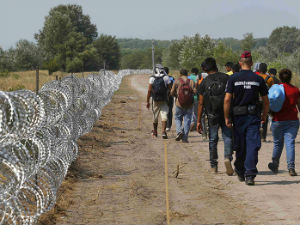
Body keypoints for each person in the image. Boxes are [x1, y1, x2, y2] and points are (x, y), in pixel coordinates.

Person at [224, 51, 269, 185]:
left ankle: (241, 170)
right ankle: (249, 174)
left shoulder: (233, 79)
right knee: (252, 145)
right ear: (251, 63)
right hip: (253, 117)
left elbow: (227, 100)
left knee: (241, 145)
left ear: (240, 63)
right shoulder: (258, 79)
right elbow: (266, 101)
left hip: (238, 117)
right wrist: (264, 115)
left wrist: (226, 117)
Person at [197, 57, 233, 175]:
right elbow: (232, 96)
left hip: (212, 114)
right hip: (226, 113)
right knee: (227, 137)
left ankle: (214, 166)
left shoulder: (204, 82)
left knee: (213, 139)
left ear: (205, 69)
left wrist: (198, 121)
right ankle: (228, 158)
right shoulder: (226, 78)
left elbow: (201, 103)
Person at [268, 69, 300, 176]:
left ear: (280, 77)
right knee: (290, 143)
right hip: (292, 120)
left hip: (278, 120)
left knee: (277, 143)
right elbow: (299, 106)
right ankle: (291, 168)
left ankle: (275, 164)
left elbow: (269, 102)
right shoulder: (295, 90)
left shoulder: (275, 88)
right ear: (290, 77)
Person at [171, 69, 196, 143]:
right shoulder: (191, 81)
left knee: (178, 118)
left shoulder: (177, 81)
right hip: (189, 104)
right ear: (187, 74)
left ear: (180, 74)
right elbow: (195, 91)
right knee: (187, 120)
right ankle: (185, 138)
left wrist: (176, 95)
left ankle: (179, 132)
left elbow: (172, 92)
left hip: (179, 103)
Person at [146, 64, 171, 139]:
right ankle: (163, 131)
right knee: (164, 116)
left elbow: (149, 90)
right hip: (164, 99)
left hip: (155, 100)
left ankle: (155, 131)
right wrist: (168, 97)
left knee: (155, 116)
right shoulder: (166, 77)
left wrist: (147, 101)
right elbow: (170, 88)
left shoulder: (152, 78)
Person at [258, 63, 274, 142]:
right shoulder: (270, 79)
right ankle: (263, 137)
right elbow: (272, 88)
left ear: (259, 69)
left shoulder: (256, 77)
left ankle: (257, 135)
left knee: (256, 116)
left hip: (256, 100)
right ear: (266, 70)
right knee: (265, 117)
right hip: (265, 99)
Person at [164, 67, 175, 131]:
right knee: (170, 111)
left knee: (164, 111)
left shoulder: (161, 78)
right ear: (168, 72)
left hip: (163, 97)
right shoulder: (171, 78)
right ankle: (169, 126)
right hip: (170, 96)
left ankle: (164, 125)